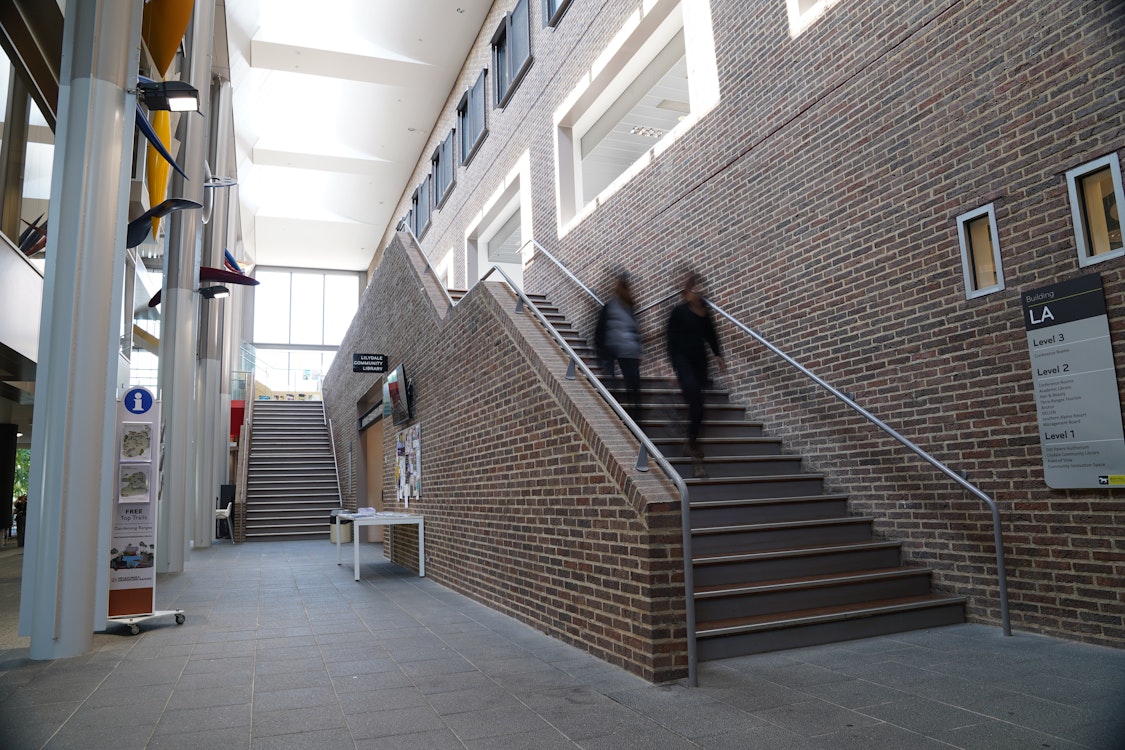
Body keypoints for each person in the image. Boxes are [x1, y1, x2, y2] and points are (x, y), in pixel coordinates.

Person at [666, 271, 724, 477]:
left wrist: (718, 355)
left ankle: (690, 440)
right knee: (695, 401)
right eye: (695, 288)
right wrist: (672, 366)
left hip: (700, 363)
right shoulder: (678, 311)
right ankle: (693, 448)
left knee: (698, 407)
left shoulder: (706, 312)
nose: (699, 291)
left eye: (701, 288)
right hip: (682, 361)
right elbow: (670, 340)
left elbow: (711, 334)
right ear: (687, 292)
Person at [596, 272, 643, 421]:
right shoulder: (617, 306)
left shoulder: (626, 307)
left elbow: (634, 328)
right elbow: (601, 330)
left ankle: (633, 417)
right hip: (620, 349)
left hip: (625, 350)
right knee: (630, 384)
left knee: (632, 384)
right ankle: (628, 416)